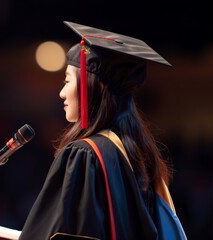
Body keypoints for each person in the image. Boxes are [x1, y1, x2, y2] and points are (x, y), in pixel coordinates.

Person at [18, 21, 186, 240]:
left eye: (67, 80)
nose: (61, 93)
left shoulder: (85, 155)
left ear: (96, 85)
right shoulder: (138, 155)